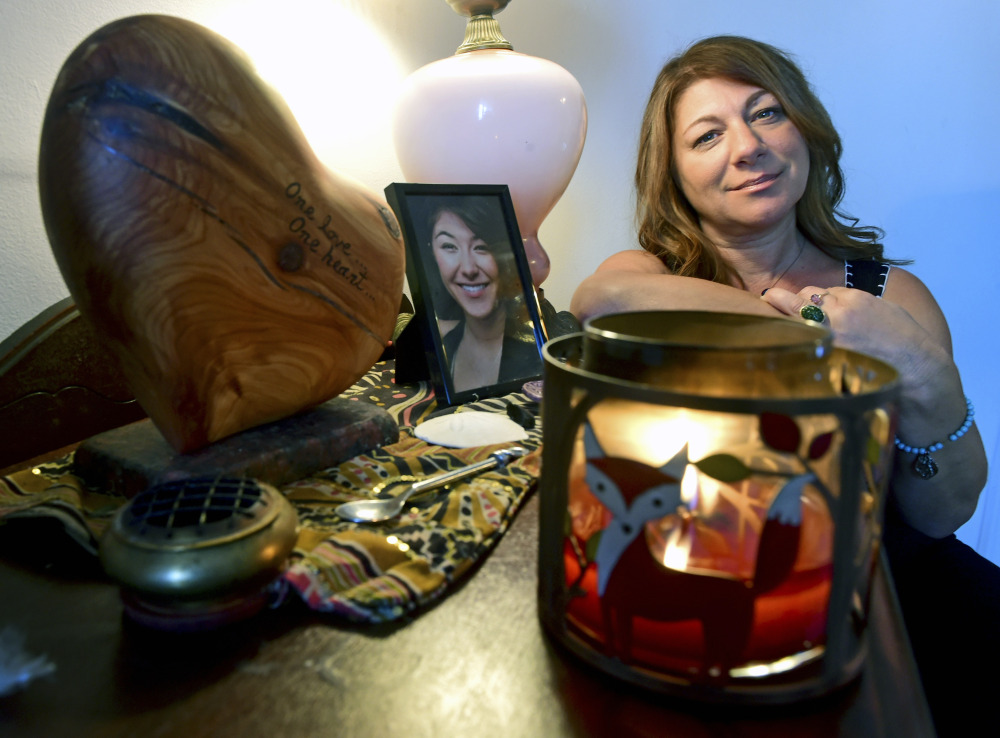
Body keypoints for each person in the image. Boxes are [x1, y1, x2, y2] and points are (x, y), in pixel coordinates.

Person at [571, 35, 995, 735]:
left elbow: (943, 510)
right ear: (673, 173)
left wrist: (918, 367)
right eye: (708, 134)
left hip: (887, 585)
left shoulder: (893, 295)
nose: (747, 147)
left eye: (766, 114)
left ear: (805, 129)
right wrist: (822, 337)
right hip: (702, 592)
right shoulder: (647, 274)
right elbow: (602, 302)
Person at [422, 196, 541, 393]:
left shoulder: (533, 353)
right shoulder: (442, 348)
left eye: (481, 247)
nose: (469, 269)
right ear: (433, 254)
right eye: (449, 246)